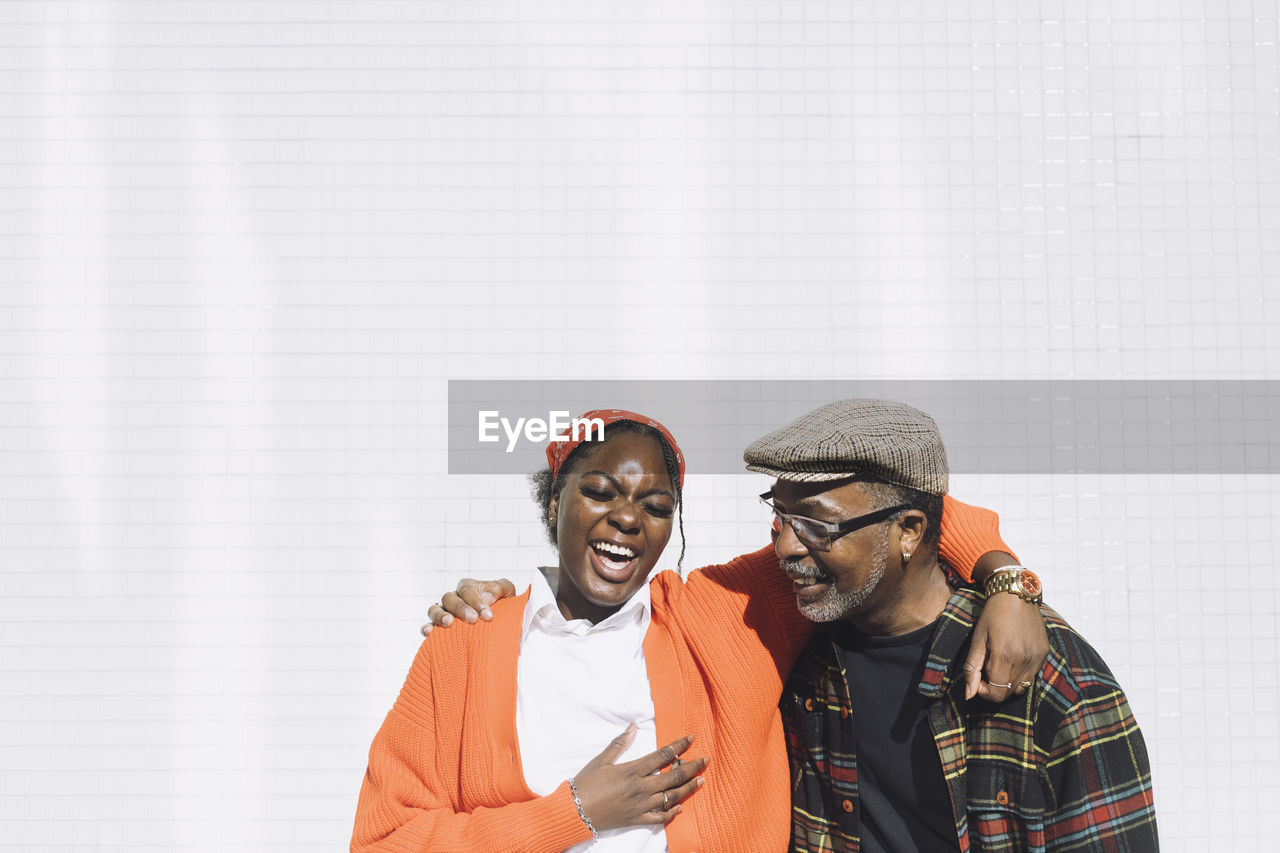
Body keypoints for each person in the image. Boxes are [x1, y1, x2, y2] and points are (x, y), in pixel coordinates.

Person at [354, 409, 1044, 852]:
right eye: (599, 491)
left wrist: (1007, 579)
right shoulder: (468, 642)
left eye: (655, 505)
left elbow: (902, 506)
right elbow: (383, 841)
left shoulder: (723, 613)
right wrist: (573, 812)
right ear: (555, 496)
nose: (627, 518)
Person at [743, 398, 1158, 851]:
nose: (785, 547)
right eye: (780, 517)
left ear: (909, 532)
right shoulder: (803, 648)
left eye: (816, 526)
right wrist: (1004, 574)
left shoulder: (1049, 674)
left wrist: (1011, 584)